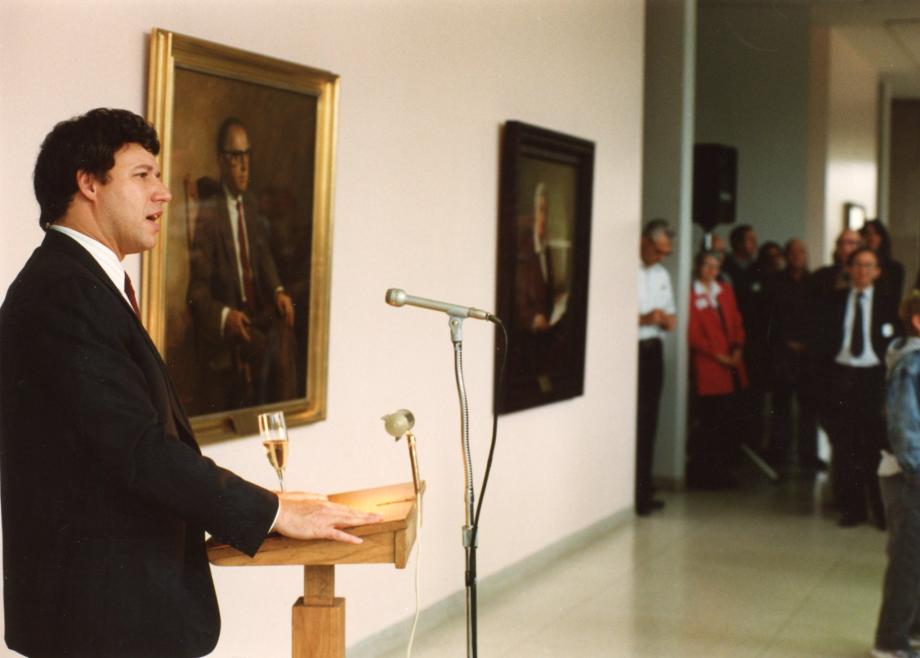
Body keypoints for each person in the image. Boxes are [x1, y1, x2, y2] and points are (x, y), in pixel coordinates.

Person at [0, 108, 381, 658]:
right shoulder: (62, 292)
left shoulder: (77, 282)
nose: (164, 194)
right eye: (142, 175)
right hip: (98, 623)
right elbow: (139, 449)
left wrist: (270, 503)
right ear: (88, 184)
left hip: (115, 613)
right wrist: (272, 510)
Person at [187, 117, 298, 414]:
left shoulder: (249, 205)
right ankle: (270, 425)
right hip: (234, 322)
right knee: (269, 349)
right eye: (237, 157)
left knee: (287, 334)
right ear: (222, 162)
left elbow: (263, 257)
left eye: (247, 154)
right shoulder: (209, 216)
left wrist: (277, 290)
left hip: (257, 313)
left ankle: (285, 421)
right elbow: (197, 292)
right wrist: (227, 317)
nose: (245, 165)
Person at [813, 247, 900, 528]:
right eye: (858, 265)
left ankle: (880, 509)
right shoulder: (834, 301)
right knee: (846, 444)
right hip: (842, 377)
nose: (862, 271)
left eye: (868, 266)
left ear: (877, 271)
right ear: (848, 269)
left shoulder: (888, 303)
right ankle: (853, 509)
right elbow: (823, 341)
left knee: (875, 444)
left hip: (873, 378)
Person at [871, 291, 920, 658]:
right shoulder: (910, 364)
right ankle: (890, 642)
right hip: (907, 475)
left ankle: (913, 630)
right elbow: (904, 429)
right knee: (906, 559)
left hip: (911, 471)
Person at [687, 249, 748, 488]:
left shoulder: (725, 291)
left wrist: (737, 348)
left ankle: (724, 469)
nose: (711, 271)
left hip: (732, 363)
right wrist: (718, 356)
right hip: (709, 366)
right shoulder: (691, 295)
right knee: (710, 420)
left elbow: (736, 322)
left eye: (716, 266)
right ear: (698, 266)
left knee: (729, 419)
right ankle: (708, 472)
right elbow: (693, 334)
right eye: (706, 265)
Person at [763, 239, 824, 473]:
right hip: (782, 352)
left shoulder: (815, 283)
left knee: (809, 407)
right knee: (781, 406)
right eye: (793, 252)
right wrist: (784, 341)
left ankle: (808, 456)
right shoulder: (775, 282)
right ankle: (779, 454)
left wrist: (808, 343)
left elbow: (820, 318)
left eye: (801, 251)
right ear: (786, 256)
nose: (797, 256)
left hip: (808, 354)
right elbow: (767, 318)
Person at [636, 218, 676, 515]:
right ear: (644, 242)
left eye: (666, 253)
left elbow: (671, 319)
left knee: (650, 421)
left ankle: (645, 487)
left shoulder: (661, 274)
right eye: (658, 251)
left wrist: (662, 319)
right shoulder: (629, 269)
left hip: (654, 350)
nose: (661, 257)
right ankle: (632, 492)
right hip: (632, 350)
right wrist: (645, 319)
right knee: (634, 422)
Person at [862, 219, 905, 314]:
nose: (871, 238)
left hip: (883, 312)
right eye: (867, 234)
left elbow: (895, 300)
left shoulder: (895, 268)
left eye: (876, 234)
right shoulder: (857, 266)